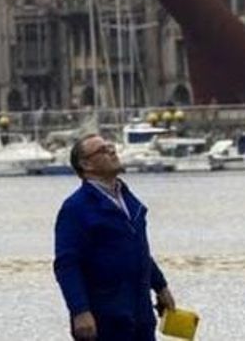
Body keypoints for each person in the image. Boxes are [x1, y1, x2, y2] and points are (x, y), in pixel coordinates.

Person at [54, 134, 175, 340]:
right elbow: (67, 264)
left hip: (140, 313)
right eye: (102, 150)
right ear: (86, 165)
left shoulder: (128, 199)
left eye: (111, 146)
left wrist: (161, 287)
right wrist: (80, 311)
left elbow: (139, 250)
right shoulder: (76, 208)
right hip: (105, 317)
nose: (112, 151)